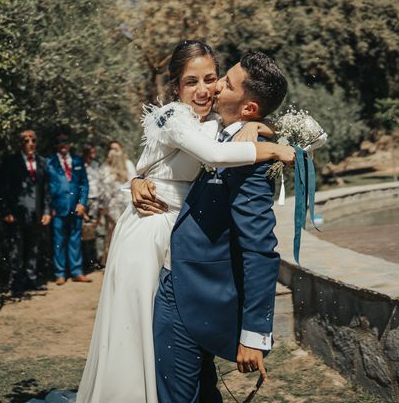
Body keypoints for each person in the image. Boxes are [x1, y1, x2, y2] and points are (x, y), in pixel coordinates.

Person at [76, 41, 294, 403]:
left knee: (160, 343)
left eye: (212, 78)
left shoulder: (212, 122)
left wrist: (258, 127)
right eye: (191, 82)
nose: (205, 88)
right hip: (150, 231)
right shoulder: (174, 117)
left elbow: (234, 127)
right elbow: (208, 154)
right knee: (136, 336)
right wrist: (268, 147)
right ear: (176, 88)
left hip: (180, 242)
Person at [0, 130, 52, 299]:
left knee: (33, 249)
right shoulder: (10, 161)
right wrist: (5, 211)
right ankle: (16, 285)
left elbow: (46, 190)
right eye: (26, 140)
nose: (30, 143)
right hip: (16, 215)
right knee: (16, 251)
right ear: (20, 143)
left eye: (33, 140)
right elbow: (2, 188)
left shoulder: (42, 162)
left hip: (36, 214)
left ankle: (31, 280)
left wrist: (47, 211)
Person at [47, 132, 90, 285]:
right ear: (56, 145)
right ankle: (60, 273)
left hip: (75, 208)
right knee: (58, 240)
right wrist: (49, 207)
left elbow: (84, 184)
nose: (63, 144)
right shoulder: (49, 162)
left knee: (75, 239)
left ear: (70, 144)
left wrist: (82, 203)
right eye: (59, 142)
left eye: (65, 141)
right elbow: (46, 187)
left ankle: (77, 271)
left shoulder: (78, 161)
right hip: (57, 209)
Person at [97, 147, 132, 266]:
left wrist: (104, 205)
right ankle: (115, 259)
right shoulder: (110, 169)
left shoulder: (111, 169)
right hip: (120, 205)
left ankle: (112, 259)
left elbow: (104, 190)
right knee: (118, 231)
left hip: (116, 205)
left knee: (113, 232)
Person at [82, 143, 105, 272]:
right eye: (91, 151)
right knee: (85, 231)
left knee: (99, 229)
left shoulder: (96, 166)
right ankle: (86, 261)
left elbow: (101, 183)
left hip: (97, 199)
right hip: (85, 200)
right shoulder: (80, 165)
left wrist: (102, 202)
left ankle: (98, 259)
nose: (93, 154)